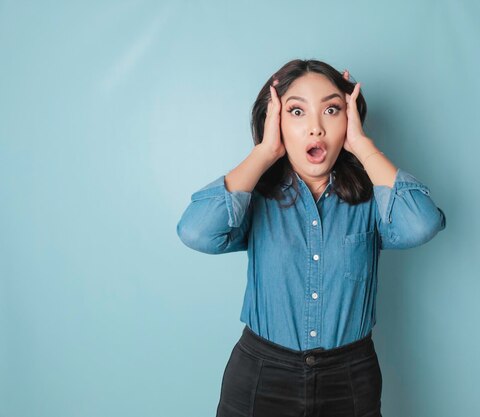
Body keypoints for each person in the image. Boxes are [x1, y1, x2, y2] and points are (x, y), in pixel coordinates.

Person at [176, 58, 447, 417]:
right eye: (297, 112)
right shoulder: (254, 197)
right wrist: (265, 152)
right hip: (261, 376)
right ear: (277, 123)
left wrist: (362, 146)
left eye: (332, 110)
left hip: (351, 379)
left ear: (349, 119)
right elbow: (196, 231)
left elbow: (421, 224)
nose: (315, 128)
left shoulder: (372, 200)